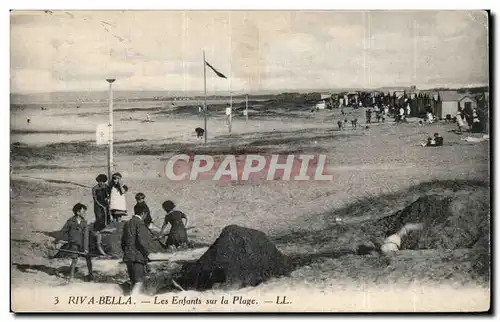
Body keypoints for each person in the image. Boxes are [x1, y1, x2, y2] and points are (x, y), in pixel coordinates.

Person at [54, 203, 94, 282]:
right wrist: (56, 241)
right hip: (74, 244)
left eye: (85, 212)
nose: (85, 213)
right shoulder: (70, 221)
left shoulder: (84, 223)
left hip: (83, 244)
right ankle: (71, 277)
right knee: (74, 259)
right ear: (78, 212)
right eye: (83, 211)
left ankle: (90, 274)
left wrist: (86, 248)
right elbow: (63, 231)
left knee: (88, 258)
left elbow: (86, 237)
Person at [121, 203, 151, 295]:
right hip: (137, 257)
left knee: (133, 281)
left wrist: (127, 252)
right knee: (138, 282)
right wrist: (147, 253)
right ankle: (133, 302)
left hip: (128, 256)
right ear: (144, 213)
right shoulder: (140, 223)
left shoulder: (128, 223)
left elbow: (123, 242)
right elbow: (142, 242)